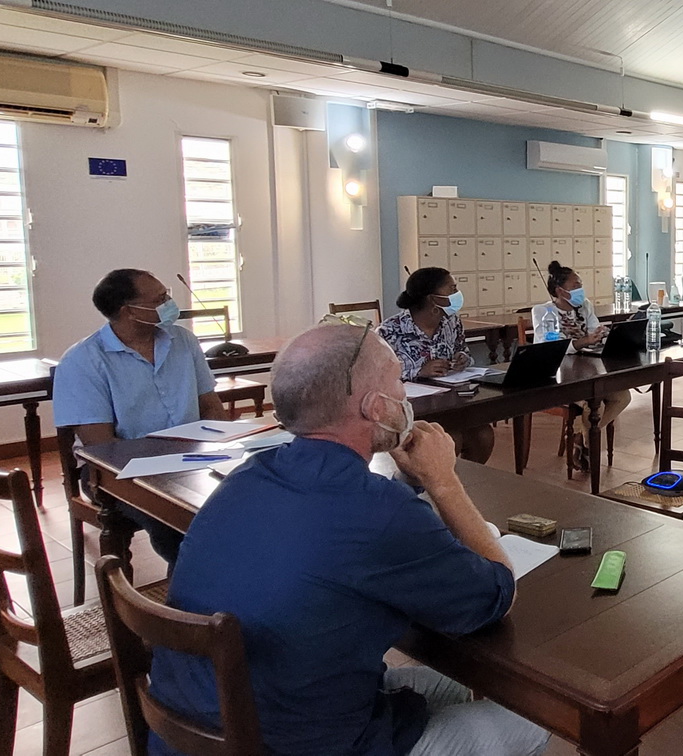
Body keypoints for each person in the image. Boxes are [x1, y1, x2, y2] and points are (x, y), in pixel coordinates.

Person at [147, 322, 549, 756]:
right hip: (296, 742)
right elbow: (494, 596)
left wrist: (408, 481)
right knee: (532, 714)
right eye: (398, 381)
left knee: (450, 681)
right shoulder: (378, 510)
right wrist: (444, 482)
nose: (404, 393)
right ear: (377, 407)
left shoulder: (246, 476)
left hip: (199, 726)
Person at [53, 269, 225, 565]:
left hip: (190, 459)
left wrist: (218, 447)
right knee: (174, 521)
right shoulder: (84, 361)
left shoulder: (183, 341)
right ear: (129, 311)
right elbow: (102, 447)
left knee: (243, 497)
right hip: (114, 473)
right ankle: (190, 595)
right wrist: (167, 465)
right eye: (161, 299)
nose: (170, 303)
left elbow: (211, 405)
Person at [378, 267, 496, 463]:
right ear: (432, 298)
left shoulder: (451, 322)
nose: (457, 294)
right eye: (451, 288)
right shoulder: (390, 331)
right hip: (413, 410)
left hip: (450, 402)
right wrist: (418, 370)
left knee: (483, 435)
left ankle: (462, 485)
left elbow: (463, 350)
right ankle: (437, 487)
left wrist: (462, 359)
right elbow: (378, 376)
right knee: (451, 439)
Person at [529, 261, 630, 448]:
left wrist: (606, 335)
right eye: (575, 286)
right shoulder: (543, 311)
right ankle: (589, 446)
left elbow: (594, 329)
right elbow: (553, 345)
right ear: (560, 291)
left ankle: (583, 439)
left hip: (586, 369)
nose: (580, 289)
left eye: (580, 285)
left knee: (623, 396)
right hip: (559, 374)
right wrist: (585, 341)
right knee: (593, 403)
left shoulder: (584, 306)